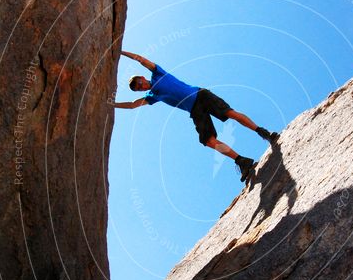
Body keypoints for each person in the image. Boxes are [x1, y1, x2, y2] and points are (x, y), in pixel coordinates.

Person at [110, 51, 278, 182]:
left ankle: (263, 132)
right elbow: (132, 105)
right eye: (139, 88)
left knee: (230, 113)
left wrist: (120, 52)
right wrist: (112, 105)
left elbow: (140, 58)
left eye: (139, 83)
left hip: (201, 95)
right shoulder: (153, 96)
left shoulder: (158, 73)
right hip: (194, 110)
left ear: (142, 77)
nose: (141, 86)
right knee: (208, 141)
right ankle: (242, 161)